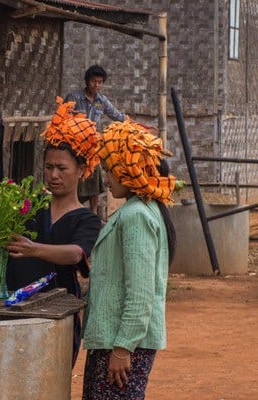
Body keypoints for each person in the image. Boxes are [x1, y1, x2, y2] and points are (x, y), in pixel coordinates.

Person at [82, 119, 177, 399]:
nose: (107, 178)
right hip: (115, 338)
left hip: (122, 342)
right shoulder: (141, 210)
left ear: (129, 169)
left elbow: (141, 291)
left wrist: (123, 347)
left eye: (110, 170)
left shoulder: (136, 216)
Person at [6, 97, 102, 367]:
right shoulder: (30, 208)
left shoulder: (87, 220)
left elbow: (74, 254)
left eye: (62, 168)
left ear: (81, 171)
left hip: (59, 317)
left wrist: (33, 249)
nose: (54, 175)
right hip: (15, 311)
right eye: (49, 167)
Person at [65, 64, 126, 215]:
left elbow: (118, 116)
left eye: (100, 82)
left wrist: (138, 125)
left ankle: (92, 214)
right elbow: (63, 118)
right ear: (87, 81)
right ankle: (72, 210)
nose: (96, 85)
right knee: (75, 179)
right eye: (93, 81)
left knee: (95, 180)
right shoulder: (74, 97)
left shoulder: (101, 101)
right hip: (74, 145)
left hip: (92, 147)